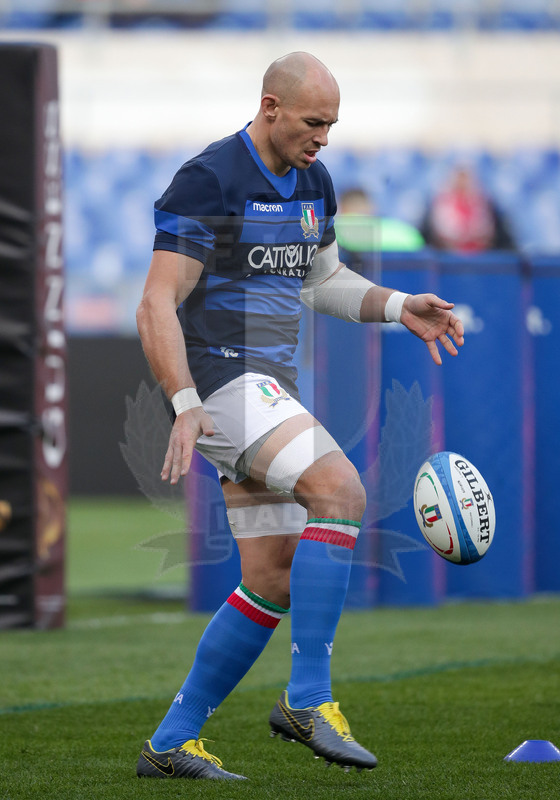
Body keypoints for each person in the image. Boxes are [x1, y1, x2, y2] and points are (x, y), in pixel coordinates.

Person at [135, 51, 464, 781]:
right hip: (223, 384)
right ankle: (308, 699)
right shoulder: (210, 177)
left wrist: (398, 306)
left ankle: (171, 742)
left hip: (261, 390)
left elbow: (324, 281)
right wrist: (185, 403)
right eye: (315, 123)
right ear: (270, 106)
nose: (324, 138)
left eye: (333, 125)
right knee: (340, 491)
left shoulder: (314, 181)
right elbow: (156, 299)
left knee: (274, 577)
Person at [421, 165, 515, 253]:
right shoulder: (442, 202)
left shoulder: (481, 202)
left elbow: (486, 231)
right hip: (448, 254)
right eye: (459, 178)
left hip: (479, 254)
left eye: (465, 178)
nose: (462, 182)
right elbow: (442, 232)